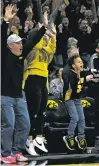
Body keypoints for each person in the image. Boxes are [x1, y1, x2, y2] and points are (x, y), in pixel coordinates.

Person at [1, 4, 47, 163]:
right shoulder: (3, 55)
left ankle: (17, 151)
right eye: (18, 43)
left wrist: (43, 29)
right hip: (4, 96)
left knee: (25, 124)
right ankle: (5, 154)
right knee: (9, 125)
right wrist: (5, 21)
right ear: (9, 46)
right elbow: (1, 38)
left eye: (21, 43)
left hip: (19, 95)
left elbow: (32, 42)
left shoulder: (21, 55)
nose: (21, 45)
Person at [24, 21, 56, 155]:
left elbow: (52, 47)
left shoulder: (44, 51)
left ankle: (38, 138)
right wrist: (42, 30)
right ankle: (28, 139)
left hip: (43, 79)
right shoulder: (31, 48)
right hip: (32, 77)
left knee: (42, 111)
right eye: (42, 38)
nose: (44, 40)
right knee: (33, 111)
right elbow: (36, 43)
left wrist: (52, 35)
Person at [62, 55, 94, 151]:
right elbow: (72, 85)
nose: (81, 63)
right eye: (78, 62)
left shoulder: (82, 72)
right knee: (75, 117)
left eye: (81, 62)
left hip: (77, 98)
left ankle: (80, 137)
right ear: (73, 65)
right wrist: (84, 79)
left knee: (82, 118)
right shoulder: (69, 73)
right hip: (69, 98)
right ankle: (69, 136)